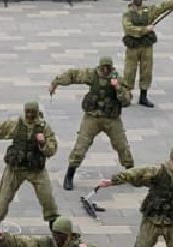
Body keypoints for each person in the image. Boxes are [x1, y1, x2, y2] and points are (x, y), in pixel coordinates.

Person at [0, 101, 60, 235]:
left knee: (48, 200)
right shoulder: (18, 124)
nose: (30, 115)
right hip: (15, 169)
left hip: (36, 170)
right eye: (27, 112)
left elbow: (52, 150)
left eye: (32, 112)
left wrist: (43, 143)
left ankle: (57, 232)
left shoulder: (44, 128)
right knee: (2, 199)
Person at [52, 56, 133, 191]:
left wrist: (117, 88)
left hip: (111, 119)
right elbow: (74, 75)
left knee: (122, 145)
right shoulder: (92, 75)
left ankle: (131, 171)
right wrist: (57, 82)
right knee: (80, 146)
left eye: (108, 68)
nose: (105, 71)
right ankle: (70, 174)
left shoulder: (118, 79)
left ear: (112, 68)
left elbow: (127, 101)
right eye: (103, 68)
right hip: (92, 117)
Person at [120, 0, 173, 108]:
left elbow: (163, 7)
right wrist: (144, 29)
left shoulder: (149, 10)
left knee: (146, 70)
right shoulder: (128, 13)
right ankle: (126, 94)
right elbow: (128, 28)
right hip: (133, 45)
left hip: (146, 45)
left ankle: (143, 95)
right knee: (130, 70)